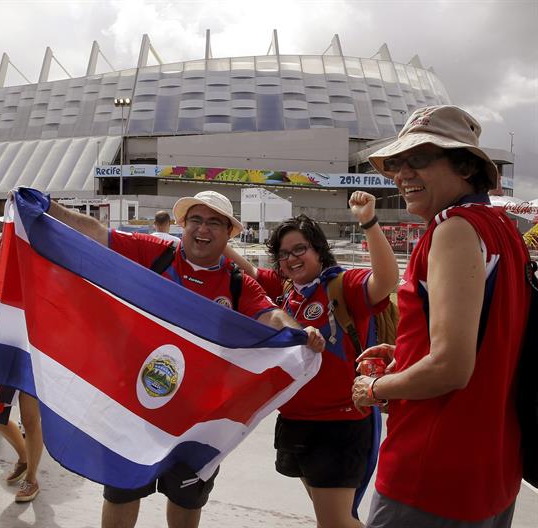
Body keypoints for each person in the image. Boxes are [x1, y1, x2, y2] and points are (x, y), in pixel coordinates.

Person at [43, 188, 325, 528]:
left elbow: (272, 317)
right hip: (135, 409)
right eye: (196, 220)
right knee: (121, 494)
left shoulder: (238, 285)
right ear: (183, 224)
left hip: (197, 419)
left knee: (186, 504)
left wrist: (300, 334)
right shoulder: (156, 253)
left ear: (229, 234)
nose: (202, 230)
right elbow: (96, 233)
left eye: (214, 223)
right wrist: (48, 208)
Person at [350, 106, 529, 527]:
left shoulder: (452, 228)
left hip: (433, 469)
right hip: (493, 466)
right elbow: (490, 339)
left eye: (419, 159)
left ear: (465, 166)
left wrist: (375, 386)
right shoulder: (502, 227)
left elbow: (451, 367)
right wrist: (408, 350)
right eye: (396, 163)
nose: (401, 174)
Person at [224, 191, 398, 528]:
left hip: (339, 424)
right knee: (334, 518)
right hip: (297, 422)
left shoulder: (341, 285)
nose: (290, 259)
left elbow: (387, 281)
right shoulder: (288, 290)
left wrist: (369, 221)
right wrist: (216, 229)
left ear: (318, 249)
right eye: (284, 254)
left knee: (335, 522)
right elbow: (244, 271)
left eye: (299, 249)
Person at [0, 229, 41, 502]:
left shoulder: (43, 248)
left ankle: (32, 479)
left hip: (36, 341)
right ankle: (25, 457)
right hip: (6, 336)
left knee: (29, 417)